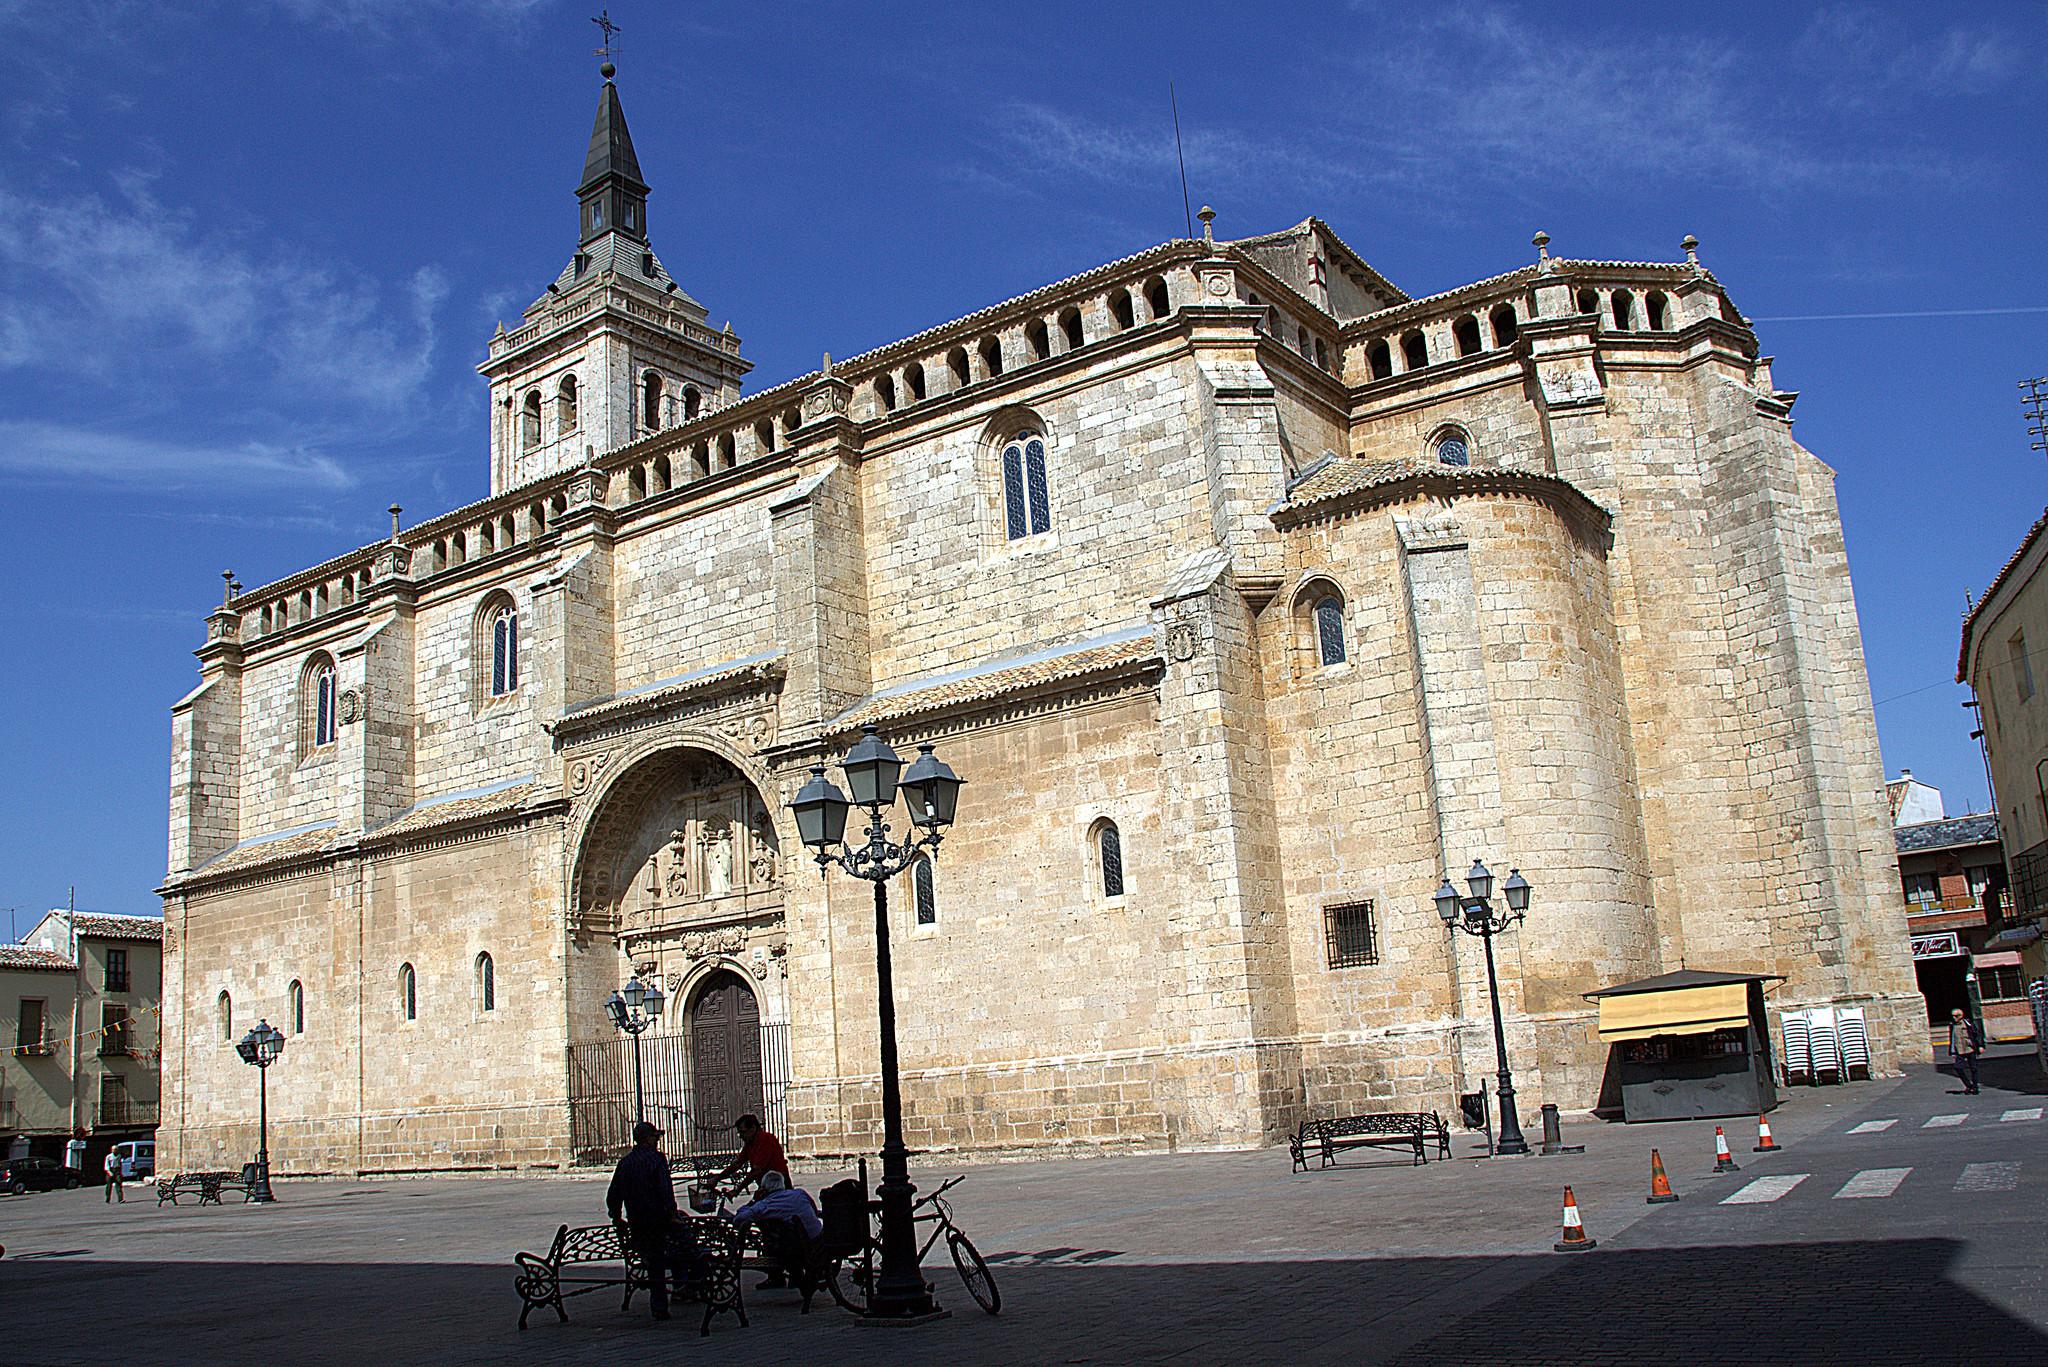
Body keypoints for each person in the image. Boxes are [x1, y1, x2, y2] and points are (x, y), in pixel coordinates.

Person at [607, 1121, 681, 1320]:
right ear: (648, 1139)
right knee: (672, 1251)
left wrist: (616, 1217)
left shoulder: (625, 1163)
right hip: (658, 1219)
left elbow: (613, 1195)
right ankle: (666, 1301)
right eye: (655, 1137)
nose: (657, 1141)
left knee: (652, 1258)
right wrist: (672, 1214)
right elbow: (665, 1190)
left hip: (636, 1220)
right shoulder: (657, 1159)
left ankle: (666, 1298)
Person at [729, 1169, 822, 1295]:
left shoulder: (764, 1205)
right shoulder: (800, 1193)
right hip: (817, 1240)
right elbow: (814, 1211)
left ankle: (780, 1275)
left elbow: (738, 1219)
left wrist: (753, 1201)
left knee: (775, 1239)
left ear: (763, 1189)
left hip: (795, 1249)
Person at [715, 1113, 791, 1188]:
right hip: (765, 1184)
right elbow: (738, 1164)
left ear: (753, 1128)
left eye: (743, 1132)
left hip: (778, 1184)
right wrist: (717, 1178)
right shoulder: (750, 1143)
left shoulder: (765, 1140)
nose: (740, 1136)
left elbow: (757, 1170)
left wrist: (738, 1189)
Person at [1949, 1007, 1985, 1095]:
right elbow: (1952, 1038)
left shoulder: (1968, 1023)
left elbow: (1977, 1034)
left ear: (1961, 1016)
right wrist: (1952, 1051)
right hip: (1959, 1050)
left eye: (1956, 1016)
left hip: (1970, 1048)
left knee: (1974, 1069)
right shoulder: (1952, 1025)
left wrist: (1980, 1045)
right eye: (1953, 1016)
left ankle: (1975, 1087)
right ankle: (1969, 1085)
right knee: (1958, 1068)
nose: (1954, 1018)